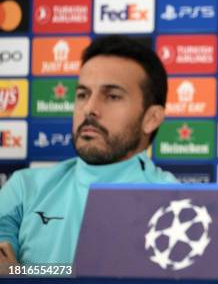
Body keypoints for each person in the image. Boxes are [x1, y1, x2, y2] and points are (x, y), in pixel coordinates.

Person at [0, 35, 177, 267]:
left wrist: (20, 275)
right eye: (83, 94)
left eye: (112, 96)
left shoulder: (175, 205)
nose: (89, 109)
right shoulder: (24, 189)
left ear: (151, 118)